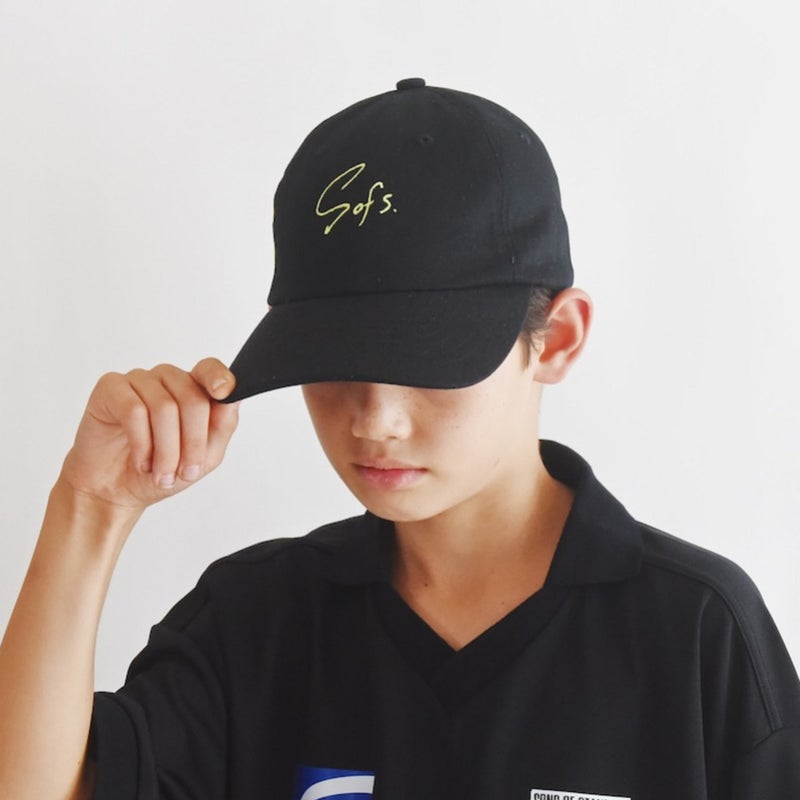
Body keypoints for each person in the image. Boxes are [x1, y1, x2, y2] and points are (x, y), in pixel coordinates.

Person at [1, 78, 799, 800]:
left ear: (556, 340)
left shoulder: (694, 634)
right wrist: (91, 506)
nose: (373, 420)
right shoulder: (256, 623)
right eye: (334, 362)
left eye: (428, 360)